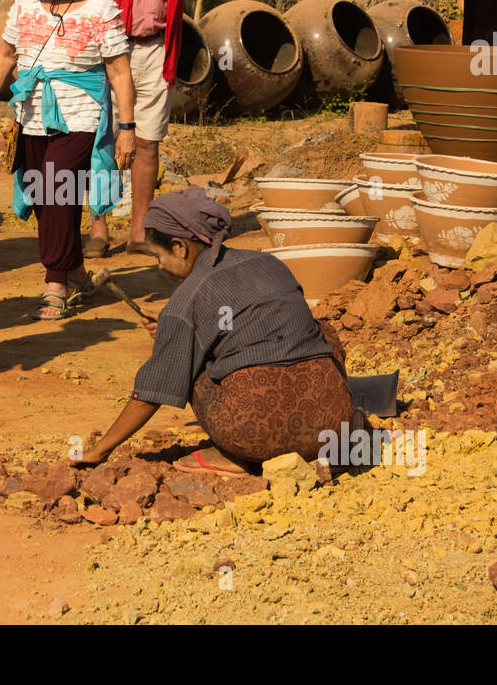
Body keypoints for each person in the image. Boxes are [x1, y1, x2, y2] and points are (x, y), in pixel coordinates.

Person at [75, 187, 356, 477]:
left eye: (158, 255)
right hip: (332, 425)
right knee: (322, 331)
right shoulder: (268, 263)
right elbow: (253, 325)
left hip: (256, 437)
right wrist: (173, 329)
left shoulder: (186, 300)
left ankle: (233, 456)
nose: (159, 265)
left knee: (184, 359)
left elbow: (153, 390)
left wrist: (101, 450)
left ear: (179, 248)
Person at [0, 0, 135, 320]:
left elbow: (118, 70)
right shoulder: (24, 3)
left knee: (58, 187)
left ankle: (55, 282)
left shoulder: (100, 8)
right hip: (30, 114)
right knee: (43, 195)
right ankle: (77, 271)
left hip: (81, 113)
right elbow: (5, 54)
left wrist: (127, 128)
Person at [81, 0, 200, 258]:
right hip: (110, 47)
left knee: (148, 142)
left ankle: (139, 232)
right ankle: (99, 229)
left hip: (155, 48)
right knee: (102, 139)